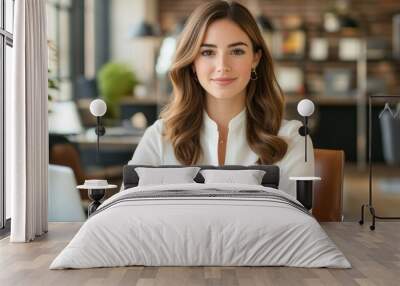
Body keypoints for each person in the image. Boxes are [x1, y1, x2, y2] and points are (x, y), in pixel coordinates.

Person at [128, 0, 314, 198]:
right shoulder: (159, 137)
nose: (222, 65)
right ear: (192, 63)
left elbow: (296, 221)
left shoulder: (292, 139)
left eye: (236, 51)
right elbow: (125, 213)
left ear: (255, 58)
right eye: (208, 52)